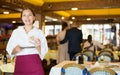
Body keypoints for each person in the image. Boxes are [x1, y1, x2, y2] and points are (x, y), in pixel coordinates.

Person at [6, 8, 48, 75]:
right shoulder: (16, 32)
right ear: (22, 18)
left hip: (35, 63)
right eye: (24, 15)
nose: (27, 17)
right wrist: (15, 50)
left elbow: (44, 51)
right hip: (20, 64)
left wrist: (38, 47)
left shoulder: (39, 32)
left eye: (29, 15)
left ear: (34, 17)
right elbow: (9, 49)